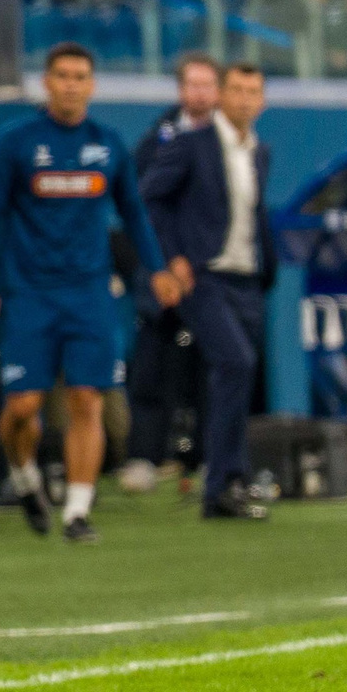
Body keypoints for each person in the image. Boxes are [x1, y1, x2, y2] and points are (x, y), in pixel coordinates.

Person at [0, 43, 188, 544]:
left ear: (91, 85)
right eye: (62, 75)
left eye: (80, 76)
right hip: (31, 294)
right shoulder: (16, 142)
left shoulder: (108, 144)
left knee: (87, 399)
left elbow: (133, 212)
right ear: (46, 83)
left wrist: (157, 268)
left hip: (90, 293)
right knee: (23, 408)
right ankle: (24, 477)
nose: (71, 84)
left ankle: (77, 511)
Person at [139, 63, 275, 522]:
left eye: (252, 91)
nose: (243, 99)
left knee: (236, 373)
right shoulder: (190, 145)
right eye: (236, 89)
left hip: (246, 278)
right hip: (205, 276)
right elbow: (149, 197)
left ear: (262, 101)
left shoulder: (259, 152)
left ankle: (231, 480)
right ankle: (221, 483)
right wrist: (172, 258)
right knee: (235, 362)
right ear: (221, 96)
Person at [120, 54, 219, 493]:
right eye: (192, 85)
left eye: (206, 85)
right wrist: (166, 261)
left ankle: (209, 458)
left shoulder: (231, 140)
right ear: (180, 90)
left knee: (213, 368)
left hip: (212, 275)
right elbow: (140, 206)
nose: (199, 93)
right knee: (151, 366)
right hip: (161, 272)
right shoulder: (157, 139)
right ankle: (144, 456)